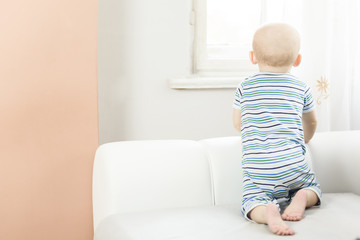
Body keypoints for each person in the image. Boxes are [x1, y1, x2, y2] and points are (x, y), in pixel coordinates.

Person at [232, 23, 321, 236]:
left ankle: (266, 212)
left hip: (259, 169)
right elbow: (311, 123)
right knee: (312, 189)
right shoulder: (302, 87)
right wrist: (305, 139)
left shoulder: (245, 86)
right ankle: (301, 197)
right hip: (293, 163)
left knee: (252, 201)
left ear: (253, 57)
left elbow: (238, 124)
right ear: (297, 59)